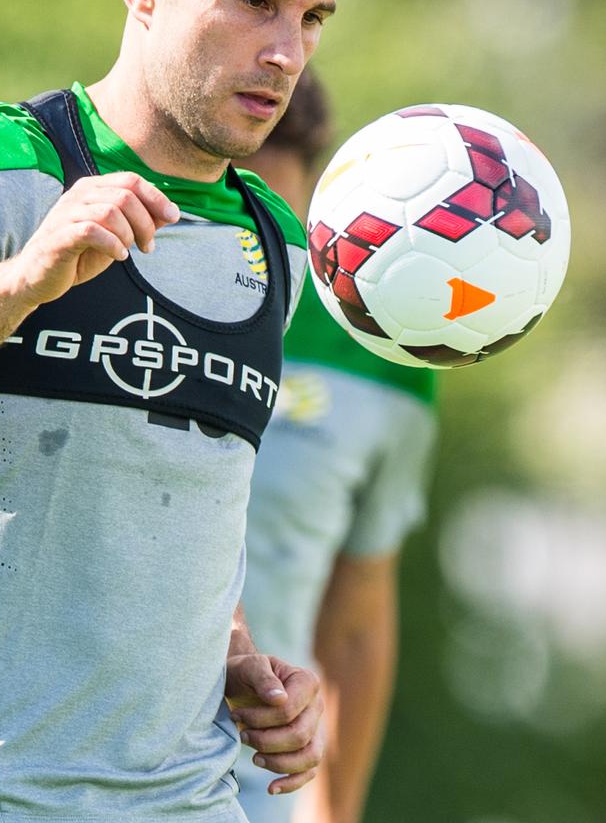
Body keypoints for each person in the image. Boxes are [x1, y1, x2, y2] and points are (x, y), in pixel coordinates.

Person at [0, 0, 342, 823]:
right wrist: (21, 283)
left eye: (310, 19)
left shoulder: (278, 247)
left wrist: (242, 663)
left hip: (191, 799)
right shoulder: (8, 164)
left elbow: (169, 526)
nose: (285, 52)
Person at [234, 69, 439, 823]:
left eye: (271, 218)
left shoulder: (382, 345)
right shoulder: (88, 275)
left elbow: (356, 614)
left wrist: (339, 810)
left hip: (254, 796)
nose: (247, 245)